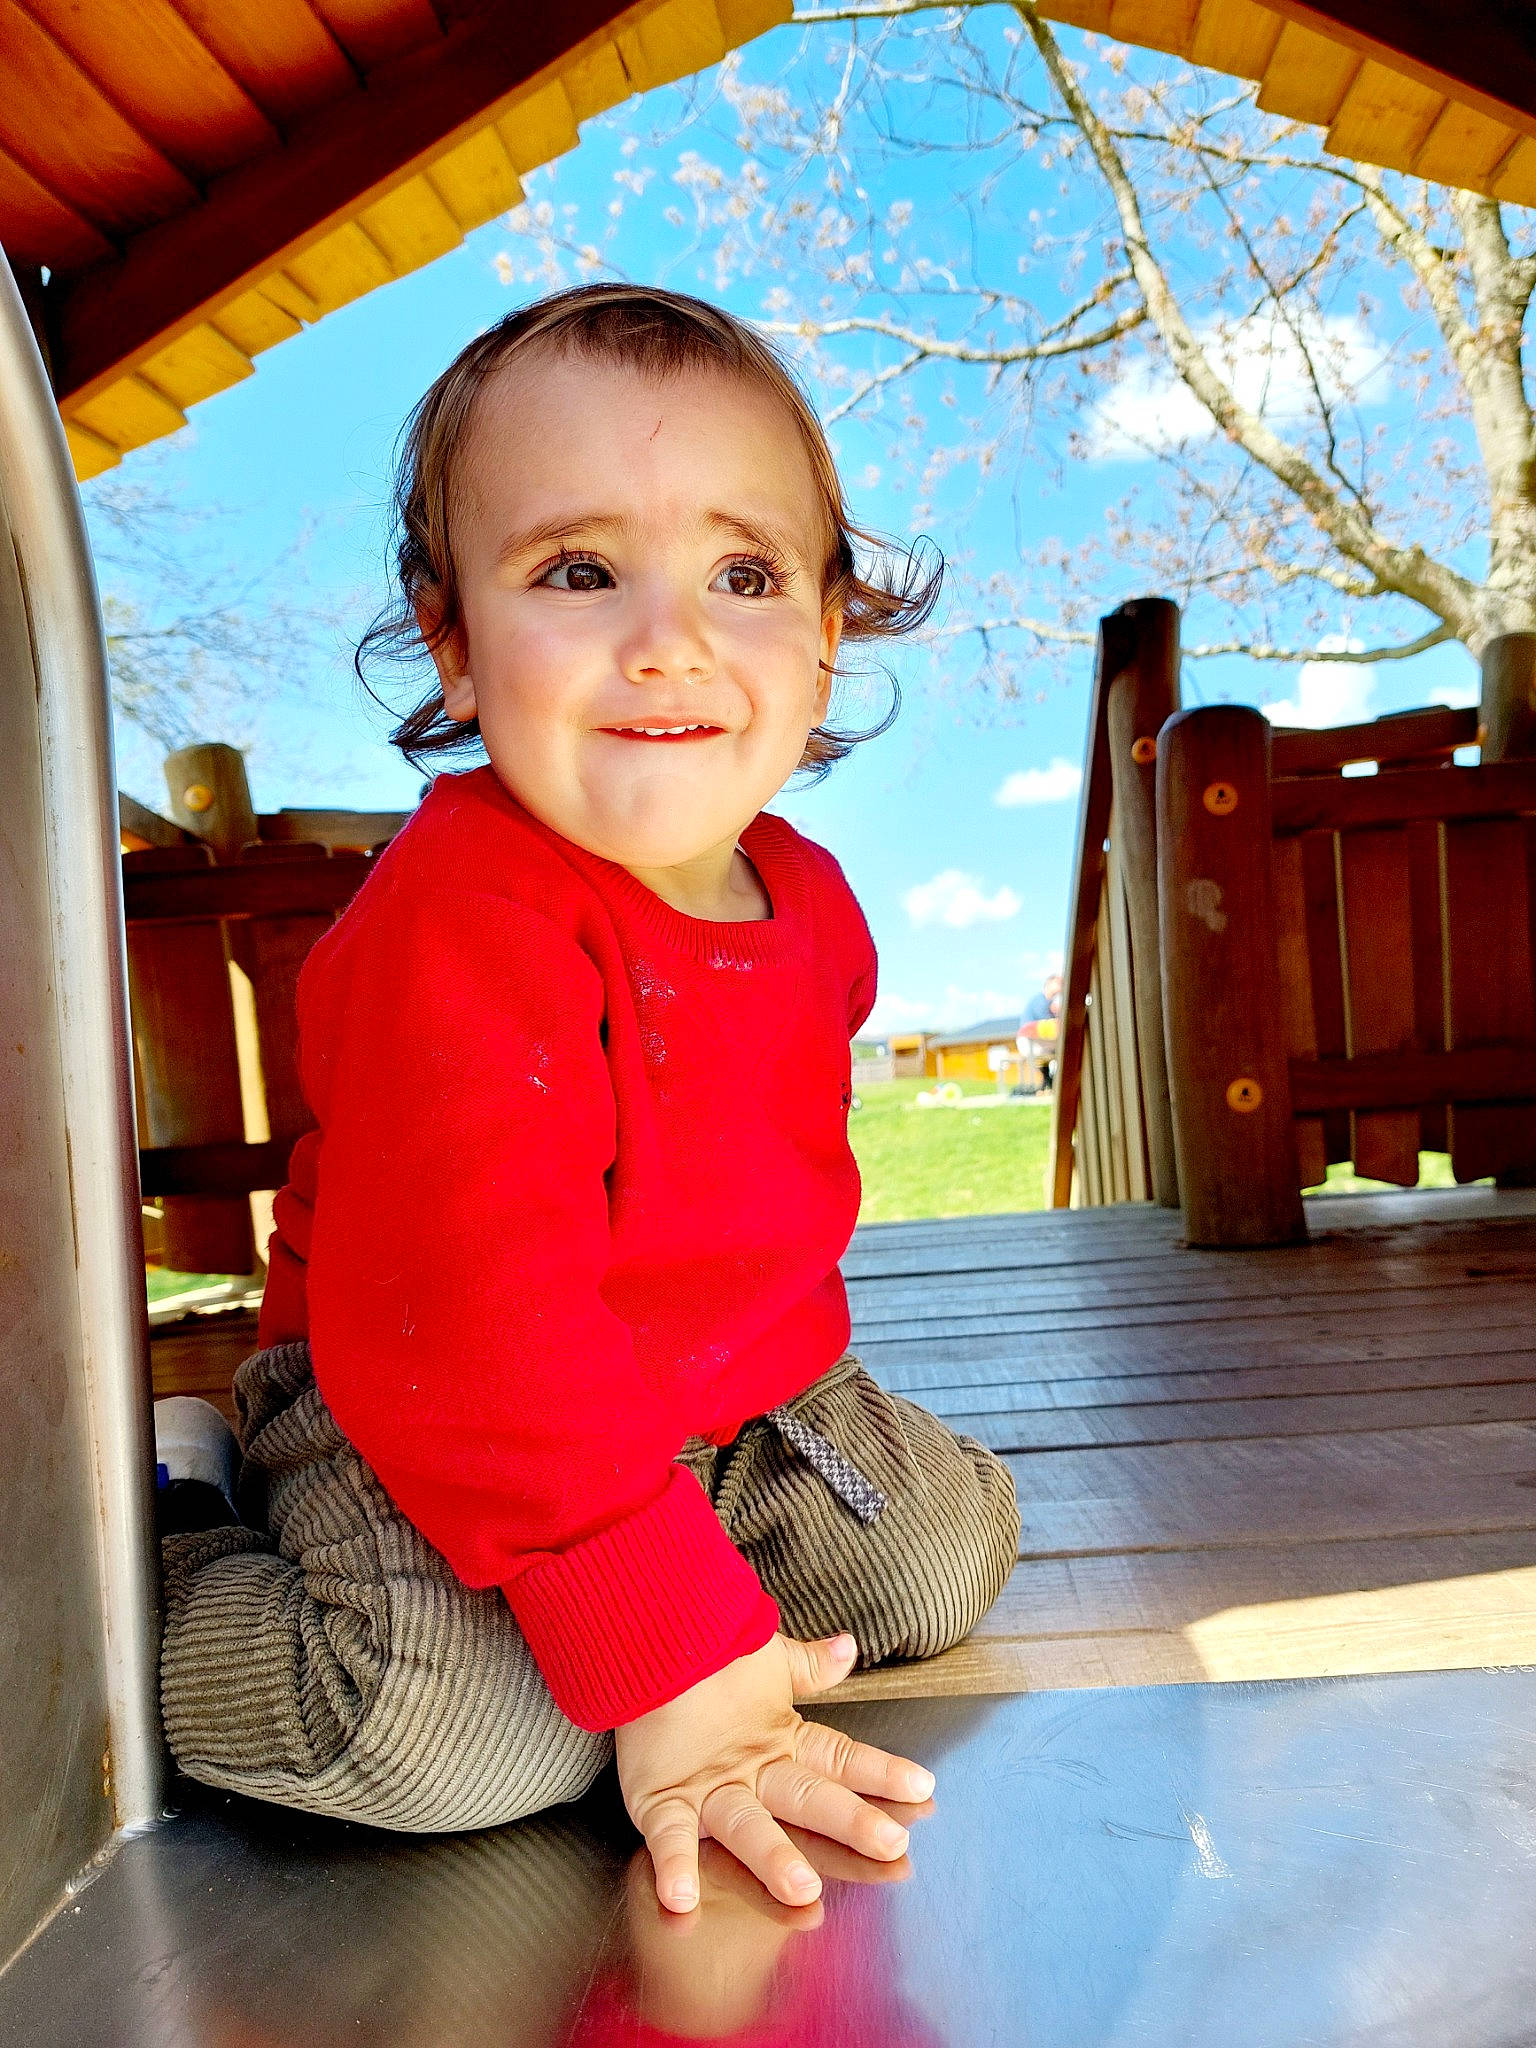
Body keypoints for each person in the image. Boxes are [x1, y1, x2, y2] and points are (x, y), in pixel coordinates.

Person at [156, 284, 1020, 1918]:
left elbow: (757, 1213)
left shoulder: (814, 904)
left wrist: (696, 1548)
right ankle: (175, 1552)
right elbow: (476, 1339)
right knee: (454, 1740)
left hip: (714, 1399)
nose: (669, 637)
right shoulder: (461, 919)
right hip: (414, 1394)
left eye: (744, 574)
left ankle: (674, 1565)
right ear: (457, 642)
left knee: (928, 1562)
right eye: (578, 571)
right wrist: (672, 1662)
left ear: (829, 632)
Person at [1017, 971, 1063, 1093]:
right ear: (1049, 984)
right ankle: (1050, 1083)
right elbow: (1046, 1026)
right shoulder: (1040, 1001)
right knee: (1060, 1047)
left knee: (1058, 1048)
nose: (1061, 986)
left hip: (1040, 1043)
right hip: (1029, 1043)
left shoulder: (1049, 1003)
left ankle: (1049, 1083)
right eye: (1058, 983)